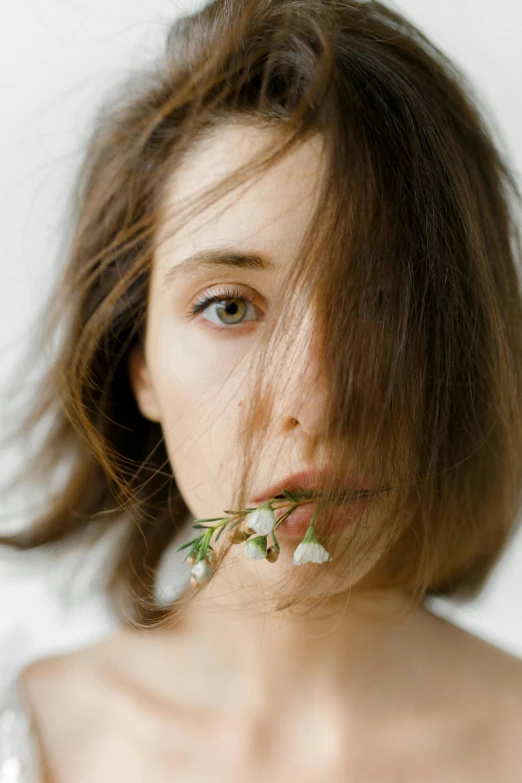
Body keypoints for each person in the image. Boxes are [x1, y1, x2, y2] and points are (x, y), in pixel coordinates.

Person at [1, 0, 522, 779]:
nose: (313, 398)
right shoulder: (31, 737)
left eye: (379, 304)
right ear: (137, 362)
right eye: (230, 306)